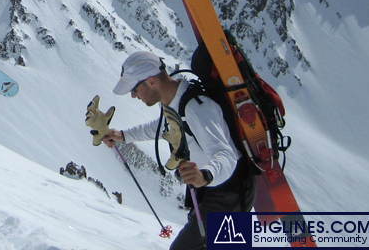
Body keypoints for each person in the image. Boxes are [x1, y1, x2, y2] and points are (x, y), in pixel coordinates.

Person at [102, 51, 255, 250]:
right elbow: (163, 126)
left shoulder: (197, 108)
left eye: (134, 89)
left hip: (228, 192)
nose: (133, 95)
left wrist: (205, 175)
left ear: (151, 81)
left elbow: (226, 155)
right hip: (210, 191)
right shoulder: (175, 100)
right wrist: (122, 135)